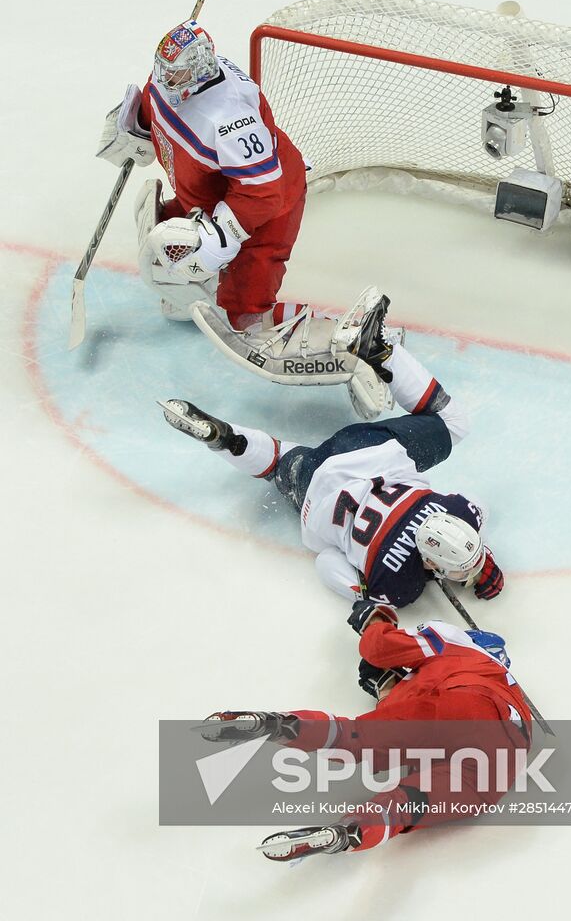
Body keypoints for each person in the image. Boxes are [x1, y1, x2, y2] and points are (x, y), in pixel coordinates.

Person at [96, 19, 392, 419]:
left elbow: (262, 193)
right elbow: (156, 104)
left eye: (176, 73)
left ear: (200, 70)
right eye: (163, 69)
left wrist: (221, 235)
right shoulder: (172, 82)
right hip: (208, 194)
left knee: (247, 317)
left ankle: (356, 342)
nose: (165, 79)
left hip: (266, 209)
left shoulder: (231, 118)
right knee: (165, 240)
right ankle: (200, 289)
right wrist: (135, 126)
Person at [159, 299, 505, 608]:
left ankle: (380, 350)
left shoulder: (462, 513)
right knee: (279, 462)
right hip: (316, 485)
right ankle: (225, 439)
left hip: (369, 448)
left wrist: (481, 558)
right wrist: (365, 597)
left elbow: (477, 507)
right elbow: (327, 563)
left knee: (453, 423)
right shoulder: (398, 588)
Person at [199, 600, 532, 862]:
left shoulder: (457, 642)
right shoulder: (509, 690)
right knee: (406, 805)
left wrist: (375, 619)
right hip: (501, 765)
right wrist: (388, 689)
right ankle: (349, 833)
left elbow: (380, 650)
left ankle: (277, 725)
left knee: (351, 739)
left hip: (463, 706)